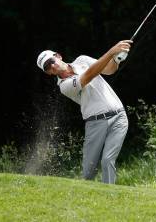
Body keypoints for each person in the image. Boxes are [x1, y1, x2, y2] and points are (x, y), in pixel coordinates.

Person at [36, 40, 132, 184]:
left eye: (51, 61)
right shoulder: (64, 86)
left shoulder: (82, 60)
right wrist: (111, 51)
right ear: (48, 73)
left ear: (58, 56)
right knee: (88, 171)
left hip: (119, 117)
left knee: (107, 160)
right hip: (95, 123)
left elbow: (109, 69)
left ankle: (110, 198)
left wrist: (116, 59)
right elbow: (88, 76)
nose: (52, 66)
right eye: (47, 67)